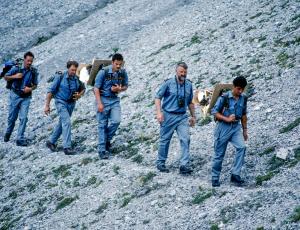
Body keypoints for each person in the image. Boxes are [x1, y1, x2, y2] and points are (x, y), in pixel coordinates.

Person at [155, 62, 196, 174]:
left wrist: (193, 116)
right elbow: (158, 97)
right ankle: (161, 162)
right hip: (168, 115)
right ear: (176, 71)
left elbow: (190, 102)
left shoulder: (188, 85)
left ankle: (184, 165)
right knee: (165, 139)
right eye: (181, 72)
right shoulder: (168, 83)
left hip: (182, 116)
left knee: (186, 139)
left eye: (185, 72)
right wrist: (159, 113)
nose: (183, 74)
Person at [211, 76, 248, 187]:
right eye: (238, 89)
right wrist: (226, 118)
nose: (240, 91)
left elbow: (244, 114)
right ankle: (215, 177)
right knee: (219, 154)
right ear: (233, 86)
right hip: (223, 127)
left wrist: (245, 130)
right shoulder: (225, 97)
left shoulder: (243, 98)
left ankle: (235, 174)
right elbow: (214, 111)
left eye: (242, 89)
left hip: (236, 128)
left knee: (242, 147)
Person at [44, 60, 85, 155]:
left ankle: (51, 142)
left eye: (75, 70)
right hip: (60, 102)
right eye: (72, 70)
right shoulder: (60, 76)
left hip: (71, 104)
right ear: (68, 68)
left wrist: (79, 95)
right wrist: (47, 105)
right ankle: (67, 147)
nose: (73, 72)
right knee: (66, 122)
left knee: (62, 123)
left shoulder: (77, 78)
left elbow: (83, 89)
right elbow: (51, 91)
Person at [94, 53, 128, 159]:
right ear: (112, 62)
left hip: (114, 100)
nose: (118, 66)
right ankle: (102, 150)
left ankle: (106, 140)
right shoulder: (103, 72)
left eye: (120, 64)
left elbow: (126, 86)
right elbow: (96, 88)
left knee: (116, 121)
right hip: (103, 99)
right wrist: (99, 103)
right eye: (117, 64)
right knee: (102, 125)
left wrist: (119, 89)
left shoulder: (122, 72)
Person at [3, 51, 39, 146]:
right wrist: (15, 76)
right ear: (24, 60)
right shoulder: (16, 68)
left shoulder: (33, 71)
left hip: (26, 97)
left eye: (31, 61)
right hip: (15, 95)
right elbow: (5, 77)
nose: (29, 63)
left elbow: (35, 85)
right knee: (12, 118)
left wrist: (30, 89)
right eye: (28, 61)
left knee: (23, 118)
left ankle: (20, 138)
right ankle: (8, 132)